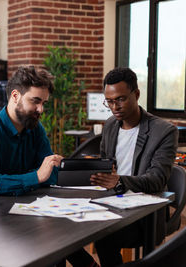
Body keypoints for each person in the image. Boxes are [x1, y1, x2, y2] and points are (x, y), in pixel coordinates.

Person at [67, 67, 178, 267]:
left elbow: (157, 179)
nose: (114, 107)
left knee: (104, 237)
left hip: (144, 215)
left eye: (120, 99)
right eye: (109, 101)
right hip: (111, 204)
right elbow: (105, 164)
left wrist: (119, 181)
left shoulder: (164, 131)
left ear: (136, 94)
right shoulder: (110, 125)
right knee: (67, 228)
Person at [0, 66, 63, 196]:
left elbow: (51, 173)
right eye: (35, 101)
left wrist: (36, 176)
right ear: (15, 96)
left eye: (43, 103)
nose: (41, 109)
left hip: (33, 208)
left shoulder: (36, 128)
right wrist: (36, 177)